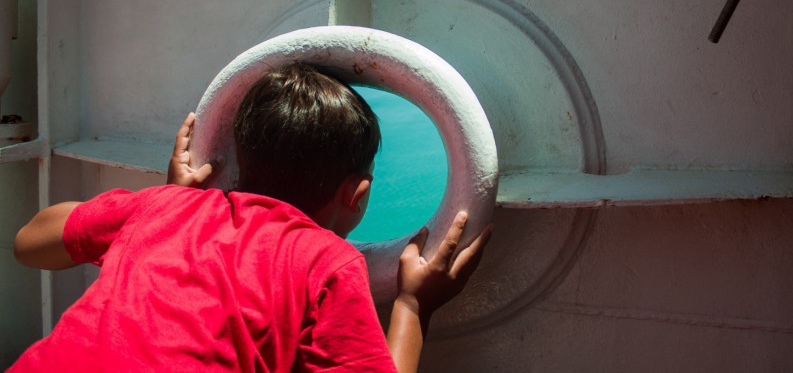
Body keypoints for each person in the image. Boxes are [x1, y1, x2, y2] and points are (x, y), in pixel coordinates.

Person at [10, 63, 492, 372]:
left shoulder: (163, 206)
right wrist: (412, 306)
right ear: (357, 194)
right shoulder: (327, 262)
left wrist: (166, 197)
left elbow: (28, 243)